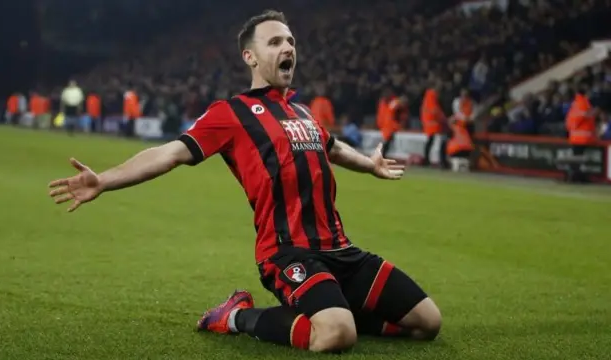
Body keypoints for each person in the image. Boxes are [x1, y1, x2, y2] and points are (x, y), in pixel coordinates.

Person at [47, 10, 441, 353]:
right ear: (250, 57)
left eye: (290, 40)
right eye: (274, 42)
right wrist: (105, 180)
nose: (287, 47)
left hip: (341, 250)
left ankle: (336, 311)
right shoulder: (231, 113)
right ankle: (237, 316)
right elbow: (170, 153)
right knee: (336, 336)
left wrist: (369, 165)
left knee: (427, 323)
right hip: (288, 254)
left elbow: (334, 148)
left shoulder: (302, 112)